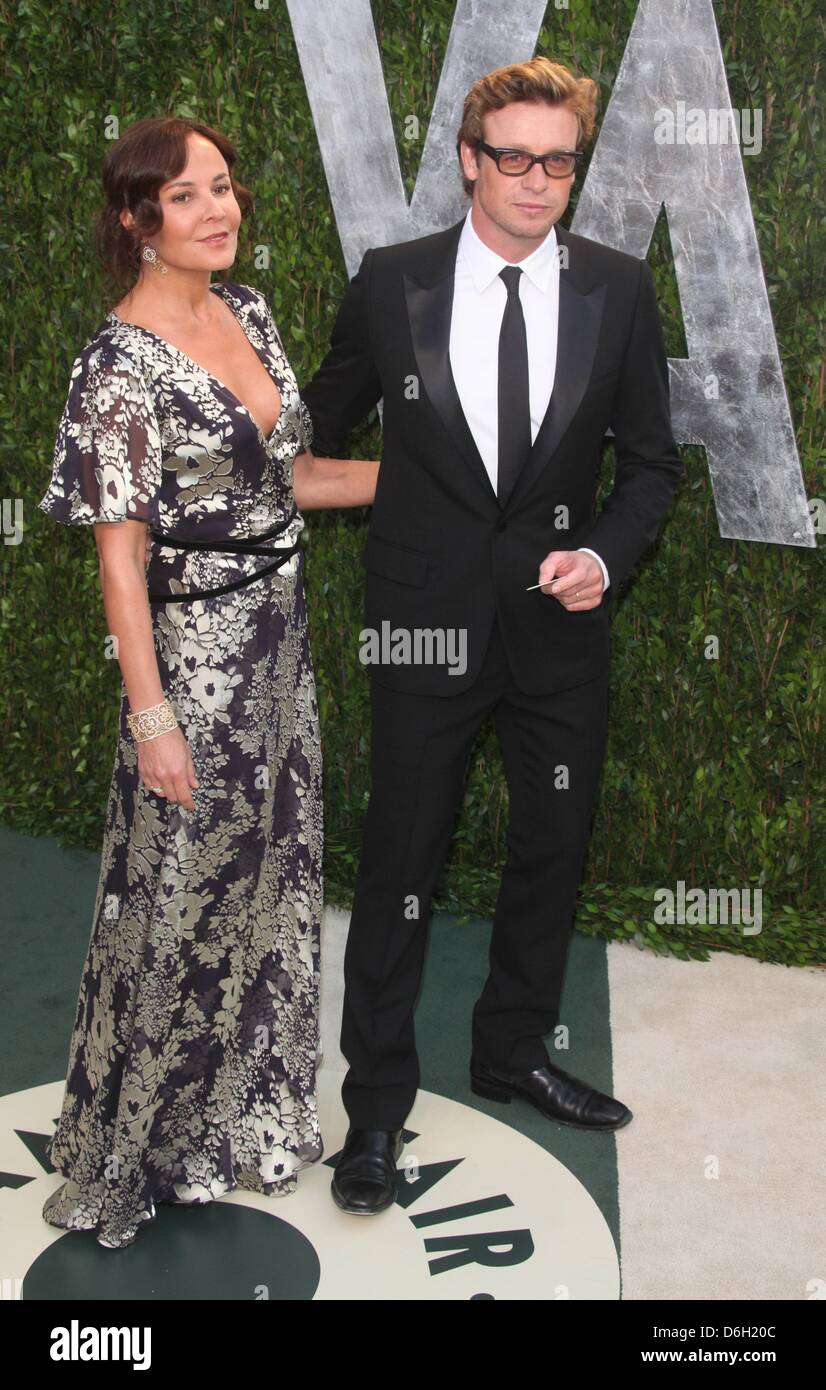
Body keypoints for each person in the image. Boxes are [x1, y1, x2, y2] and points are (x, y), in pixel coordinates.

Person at [300, 56, 683, 1215]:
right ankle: (372, 1111)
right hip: (421, 627)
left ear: (575, 167)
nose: (535, 180)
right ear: (470, 160)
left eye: (557, 160)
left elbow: (651, 465)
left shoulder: (615, 289)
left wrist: (605, 558)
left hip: (558, 631)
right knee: (400, 859)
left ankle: (512, 1050)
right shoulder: (391, 283)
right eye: (512, 157)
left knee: (550, 849)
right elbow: (315, 424)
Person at [37, 116, 378, 1248]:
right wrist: (152, 719)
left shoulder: (250, 313)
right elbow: (120, 555)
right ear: (139, 222)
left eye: (223, 186)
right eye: (187, 196)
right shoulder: (118, 363)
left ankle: (232, 1120)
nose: (218, 209)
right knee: (175, 894)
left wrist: (440, 481)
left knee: (273, 878)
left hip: (278, 646)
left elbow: (294, 484)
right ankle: (129, 1146)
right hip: (192, 664)